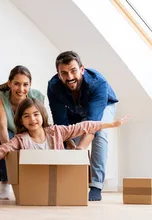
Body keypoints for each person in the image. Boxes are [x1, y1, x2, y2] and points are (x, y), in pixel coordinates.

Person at [0, 98, 129, 182]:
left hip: (58, 179)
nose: (33, 119)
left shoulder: (56, 132)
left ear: (42, 115)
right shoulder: (21, 140)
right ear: (21, 121)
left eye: (36, 114)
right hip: (35, 182)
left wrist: (111, 124)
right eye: (26, 116)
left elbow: (85, 126)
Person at [47, 51, 119, 202]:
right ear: (58, 75)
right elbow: (61, 125)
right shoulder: (54, 87)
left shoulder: (98, 82)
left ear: (82, 69)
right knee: (65, 140)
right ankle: (69, 183)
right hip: (75, 110)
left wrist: (79, 151)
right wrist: (71, 146)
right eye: (64, 73)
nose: (70, 77)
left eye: (73, 71)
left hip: (104, 106)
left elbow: (93, 123)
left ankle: (96, 185)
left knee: (100, 132)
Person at [0, 65, 45, 200]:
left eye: (25, 85)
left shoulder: (37, 96)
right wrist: (9, 157)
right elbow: (2, 127)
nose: (21, 89)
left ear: (30, 85)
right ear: (9, 83)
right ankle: (5, 182)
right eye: (16, 84)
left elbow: (39, 125)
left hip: (17, 129)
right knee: (7, 140)